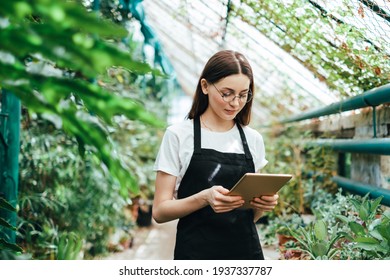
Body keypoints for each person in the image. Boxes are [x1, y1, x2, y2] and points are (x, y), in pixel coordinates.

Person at [152, 50, 279, 260]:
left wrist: (262, 205)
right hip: (195, 253)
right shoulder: (178, 135)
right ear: (205, 86)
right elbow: (159, 211)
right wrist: (204, 198)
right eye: (226, 93)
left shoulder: (253, 139)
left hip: (245, 253)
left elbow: (250, 217)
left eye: (243, 95)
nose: (235, 103)